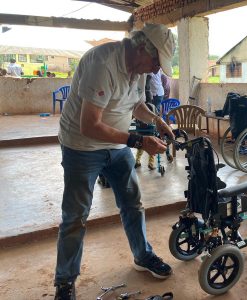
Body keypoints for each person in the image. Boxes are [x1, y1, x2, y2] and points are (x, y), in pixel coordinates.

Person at [54, 23, 176, 300]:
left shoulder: (141, 70)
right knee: (75, 216)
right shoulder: (102, 63)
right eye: (157, 61)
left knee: (132, 203)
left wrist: (157, 121)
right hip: (82, 146)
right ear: (142, 47)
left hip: (117, 144)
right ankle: (65, 281)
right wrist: (137, 141)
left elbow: (137, 105)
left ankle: (142, 255)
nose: (158, 69)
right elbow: (89, 125)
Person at [135, 101, 157, 170]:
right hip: (150, 132)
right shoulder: (152, 106)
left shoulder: (138, 106)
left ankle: (137, 161)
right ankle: (151, 163)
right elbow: (156, 117)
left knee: (140, 147)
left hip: (140, 132)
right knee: (152, 148)